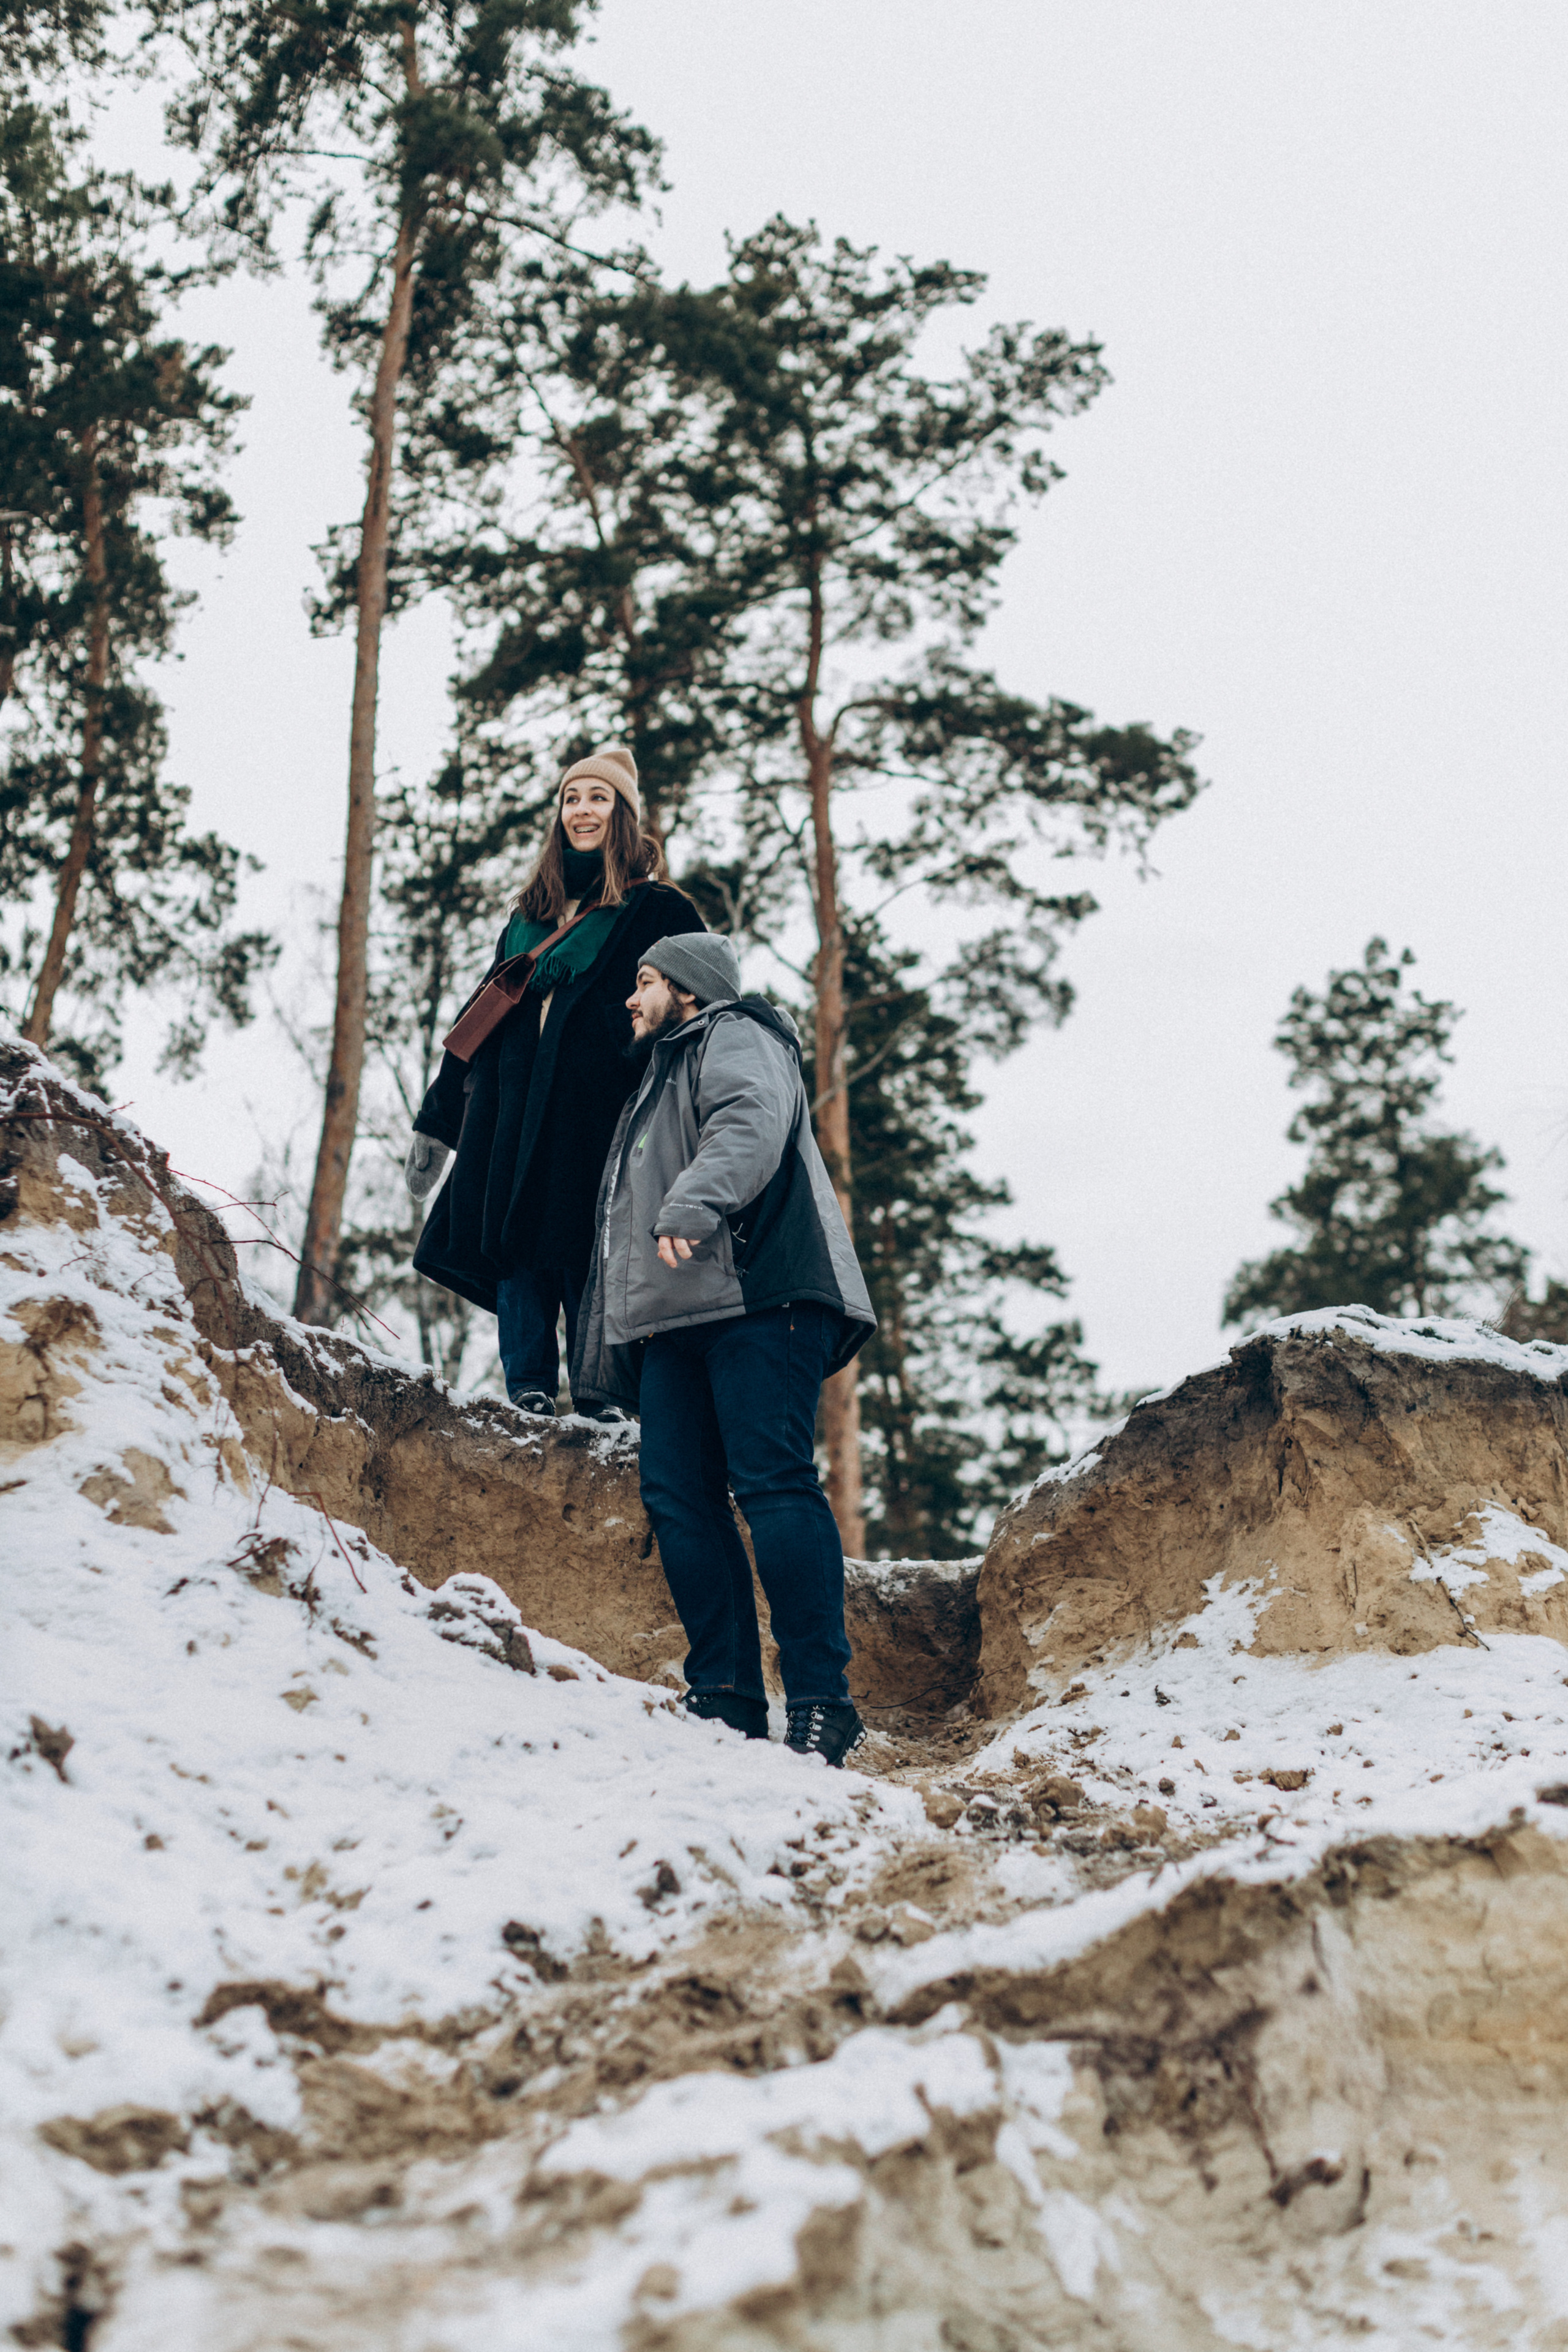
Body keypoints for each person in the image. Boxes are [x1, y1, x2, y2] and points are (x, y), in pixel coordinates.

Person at [571, 932, 876, 1765]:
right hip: (678, 1321)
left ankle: (822, 1700)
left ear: (691, 988)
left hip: (760, 1293)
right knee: (677, 1497)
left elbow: (753, 1120)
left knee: (772, 1481)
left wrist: (692, 1202)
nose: (630, 999)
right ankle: (728, 1694)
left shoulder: (736, 1033)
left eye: (643, 981)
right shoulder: (656, 1075)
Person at [404, 746, 704, 1414]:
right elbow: (477, 1021)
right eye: (572, 799)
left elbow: (700, 1011)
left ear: (623, 813)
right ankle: (528, 1393)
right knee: (514, 1244)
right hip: (507, 1113)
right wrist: (437, 1121)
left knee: (588, 1247)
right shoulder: (528, 918)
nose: (582, 811)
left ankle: (600, 1397)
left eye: (598, 798)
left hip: (598, 1114)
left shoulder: (658, 911)